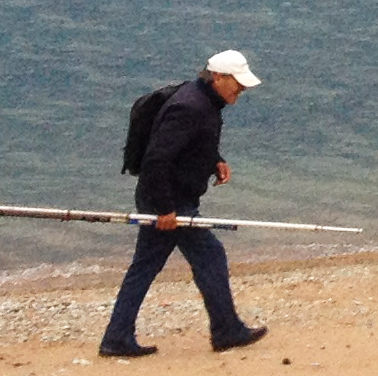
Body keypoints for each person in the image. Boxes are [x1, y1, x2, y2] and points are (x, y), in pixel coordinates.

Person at [99, 49, 271, 357]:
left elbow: (192, 144)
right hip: (169, 201)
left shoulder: (204, 102)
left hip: (171, 197)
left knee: (147, 266)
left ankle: (117, 337)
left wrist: (215, 160)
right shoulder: (191, 107)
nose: (242, 89)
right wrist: (165, 209)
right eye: (237, 83)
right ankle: (226, 331)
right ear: (218, 77)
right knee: (210, 257)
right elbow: (156, 159)